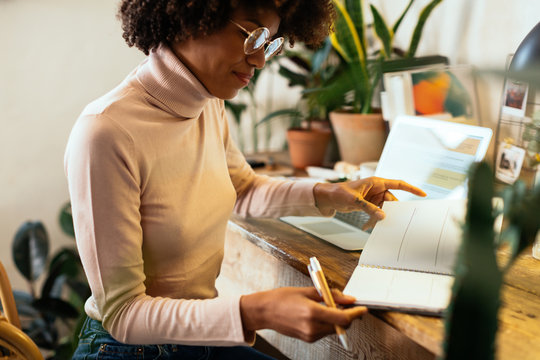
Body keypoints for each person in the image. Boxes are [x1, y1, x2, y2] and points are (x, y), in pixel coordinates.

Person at [65, 0, 426, 359]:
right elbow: (123, 315)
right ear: (192, 18)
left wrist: (332, 194)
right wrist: (257, 311)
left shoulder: (208, 99)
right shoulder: (106, 132)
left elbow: (244, 189)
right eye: (253, 35)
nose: (260, 60)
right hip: (128, 350)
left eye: (269, 43)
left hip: (198, 341)